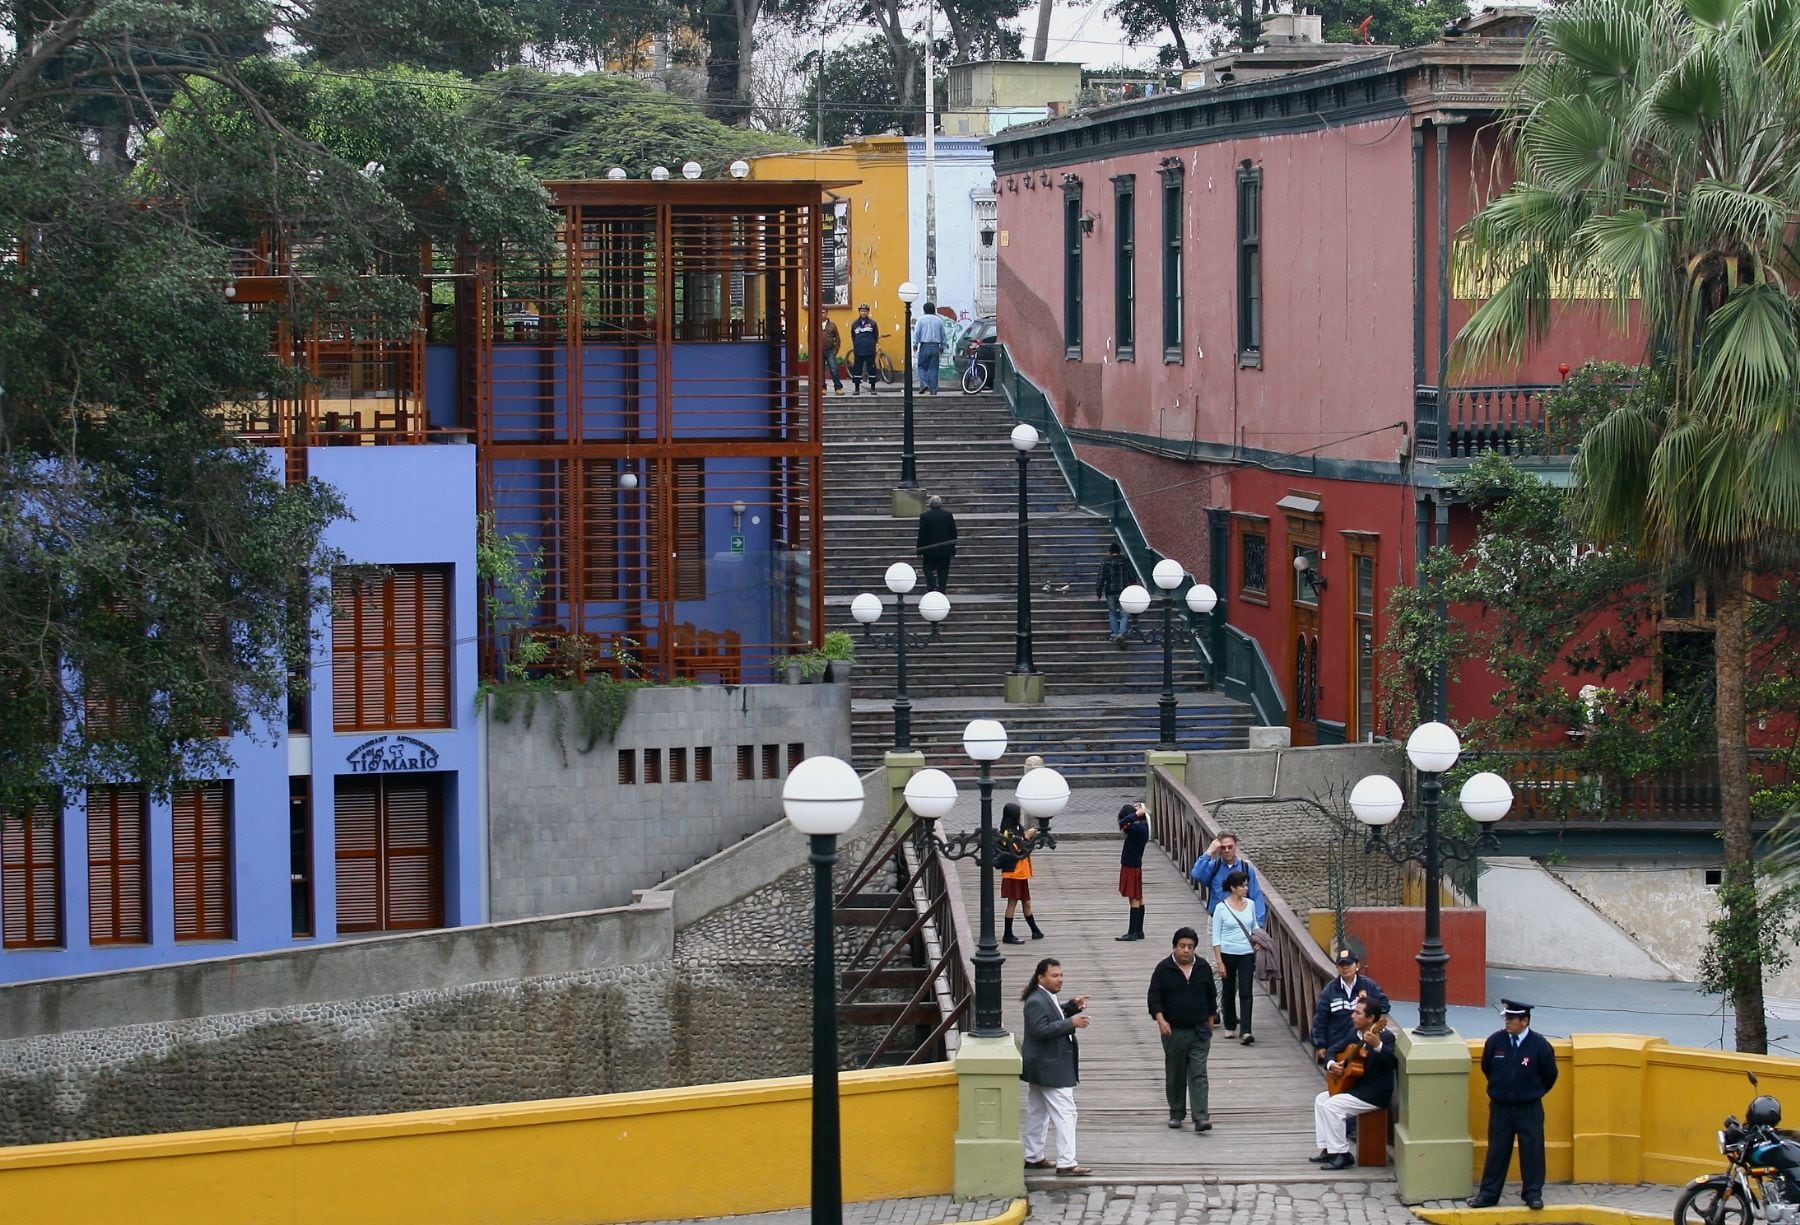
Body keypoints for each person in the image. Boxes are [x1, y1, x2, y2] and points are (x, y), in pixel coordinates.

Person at [1469, 999, 1558, 1211]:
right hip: (1501, 1107)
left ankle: (1533, 1194)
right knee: (1497, 1151)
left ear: (1524, 1021)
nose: (1507, 1022)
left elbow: (1550, 1075)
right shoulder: (1495, 1042)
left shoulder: (1540, 1046)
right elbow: (1487, 1067)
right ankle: (1489, 1194)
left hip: (1529, 1107)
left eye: (1511, 1018)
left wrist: (1531, 1093)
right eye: (1506, 1018)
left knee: (1532, 1151)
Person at [1020, 957, 1091, 1177]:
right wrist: (1071, 1023)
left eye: (1061, 975)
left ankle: (1033, 1156)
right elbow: (1040, 1030)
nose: (1059, 979)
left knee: (1038, 1113)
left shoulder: (1044, 997)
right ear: (1040, 977)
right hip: (1050, 1066)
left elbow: (1051, 1015)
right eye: (1054, 975)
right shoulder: (1036, 1000)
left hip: (1041, 1066)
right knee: (1066, 1113)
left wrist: (1069, 1008)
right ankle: (1067, 1162)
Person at [1309, 995, 1397, 1169]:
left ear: (1371, 1018)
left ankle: (1342, 1154)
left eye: (1357, 1013)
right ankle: (1329, 1149)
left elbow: (1392, 1063)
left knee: (1332, 1106)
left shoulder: (1385, 1037)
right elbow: (1333, 1049)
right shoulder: (1354, 1033)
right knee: (1321, 1099)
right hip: (1355, 1087)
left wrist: (1378, 1046)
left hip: (1373, 1093)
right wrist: (1332, 1064)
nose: (1352, 1016)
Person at [1147, 927, 1218, 1133]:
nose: (1186, 951)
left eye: (1190, 947)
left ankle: (1201, 1116)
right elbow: (1154, 998)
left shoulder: (1203, 967)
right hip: (1173, 1030)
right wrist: (1161, 1020)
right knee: (1175, 1072)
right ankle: (1176, 1112)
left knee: (1198, 1073)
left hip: (1199, 1030)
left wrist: (1211, 1019)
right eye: (1182, 946)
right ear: (1174, 947)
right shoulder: (1163, 969)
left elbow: (1211, 995)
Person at [1311, 948, 1387, 1067]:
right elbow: (1320, 1020)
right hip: (1337, 1045)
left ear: (1357, 965)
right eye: (1341, 965)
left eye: (1348, 964)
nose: (1345, 968)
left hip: (1363, 1045)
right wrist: (1320, 1045)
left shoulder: (1369, 985)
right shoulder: (1328, 991)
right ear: (1337, 967)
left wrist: (1370, 1007)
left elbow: (1384, 1005)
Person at [1209, 869, 1260, 1044]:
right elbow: (1216, 937)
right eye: (1242, 886)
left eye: (1246, 885)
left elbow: (1253, 927)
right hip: (1228, 953)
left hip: (1247, 952)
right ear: (1233, 887)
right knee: (1228, 990)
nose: (1245, 888)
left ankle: (1246, 1030)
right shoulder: (1221, 908)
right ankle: (1230, 1025)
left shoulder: (1251, 904)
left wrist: (1259, 940)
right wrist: (1219, 961)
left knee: (1246, 991)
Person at [1190, 831, 1268, 922]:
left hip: (1240, 919)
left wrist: (1258, 923)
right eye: (1223, 847)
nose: (1227, 850)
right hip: (1216, 918)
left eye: (1230, 847)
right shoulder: (1213, 867)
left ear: (1236, 846)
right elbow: (1196, 874)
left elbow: (1256, 895)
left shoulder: (1246, 868)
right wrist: (1209, 852)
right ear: (1218, 848)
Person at [1000, 802, 1044, 943]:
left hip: (1021, 872)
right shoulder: (1007, 831)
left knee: (1026, 901)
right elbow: (1016, 849)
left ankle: (1035, 931)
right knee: (1012, 902)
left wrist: (1027, 835)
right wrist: (1026, 837)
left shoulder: (1017, 828)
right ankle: (1007, 934)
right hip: (1013, 872)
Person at [1115, 801, 1149, 941]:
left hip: (1130, 865)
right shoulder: (1142, 827)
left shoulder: (1135, 828)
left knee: (1133, 897)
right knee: (1139, 897)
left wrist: (1135, 814)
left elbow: (1122, 823)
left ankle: (1132, 932)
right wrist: (1138, 814)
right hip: (1136, 864)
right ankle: (1139, 930)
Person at [916, 495, 958, 594]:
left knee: (927, 569)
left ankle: (932, 585)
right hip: (945, 549)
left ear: (930, 505)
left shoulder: (925, 516)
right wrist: (953, 547)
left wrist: (919, 550)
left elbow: (921, 534)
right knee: (943, 571)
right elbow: (953, 532)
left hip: (929, 550)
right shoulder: (948, 515)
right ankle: (941, 589)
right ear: (940, 504)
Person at [1095, 542, 1132, 643]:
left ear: (1110, 552)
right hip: (1123, 591)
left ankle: (1114, 634)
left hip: (1110, 591)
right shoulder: (1125, 561)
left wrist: (1099, 592)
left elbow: (1101, 578)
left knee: (1112, 613)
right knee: (1124, 613)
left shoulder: (1105, 562)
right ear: (1119, 551)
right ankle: (1122, 633)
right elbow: (1131, 576)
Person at [914, 301, 947, 394]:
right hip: (936, 346)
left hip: (924, 345)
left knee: (921, 366)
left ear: (924, 310)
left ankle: (924, 383)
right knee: (934, 368)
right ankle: (933, 389)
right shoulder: (939, 320)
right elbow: (943, 335)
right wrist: (943, 345)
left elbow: (916, 333)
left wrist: (915, 344)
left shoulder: (921, 320)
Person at [848, 303, 880, 393]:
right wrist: (856, 344)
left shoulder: (872, 323)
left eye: (865, 311)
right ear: (859, 312)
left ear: (868, 312)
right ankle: (857, 388)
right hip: (858, 350)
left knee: (871, 369)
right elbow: (853, 336)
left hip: (870, 350)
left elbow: (875, 335)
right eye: (862, 311)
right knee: (857, 369)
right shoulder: (855, 324)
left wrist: (872, 343)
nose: (863, 313)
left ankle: (873, 388)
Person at [820, 315, 845, 395]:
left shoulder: (832, 325)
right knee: (820, 370)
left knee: (834, 369)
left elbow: (837, 338)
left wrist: (835, 350)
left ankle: (838, 388)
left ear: (826, 314)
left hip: (830, 351)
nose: (821, 314)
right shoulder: (815, 324)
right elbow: (810, 337)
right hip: (818, 351)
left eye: (823, 312)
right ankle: (822, 388)